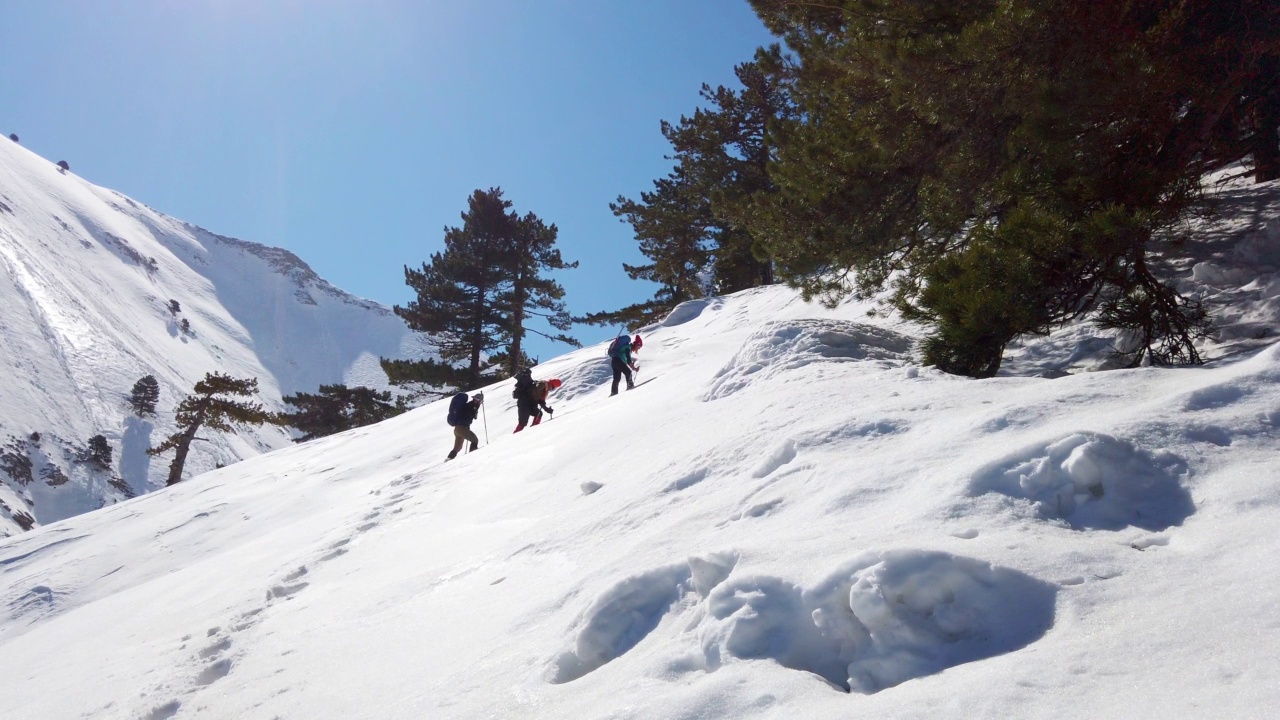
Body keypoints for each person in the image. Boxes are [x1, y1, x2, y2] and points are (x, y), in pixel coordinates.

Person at [445, 391, 483, 460]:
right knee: (474, 440)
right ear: (474, 399)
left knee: (458, 447)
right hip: (462, 428)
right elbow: (470, 415)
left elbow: (473, 416)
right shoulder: (470, 406)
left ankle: (449, 459)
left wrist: (475, 409)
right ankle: (473, 455)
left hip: (458, 429)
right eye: (477, 400)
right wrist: (474, 409)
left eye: (479, 401)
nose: (478, 402)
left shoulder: (470, 406)